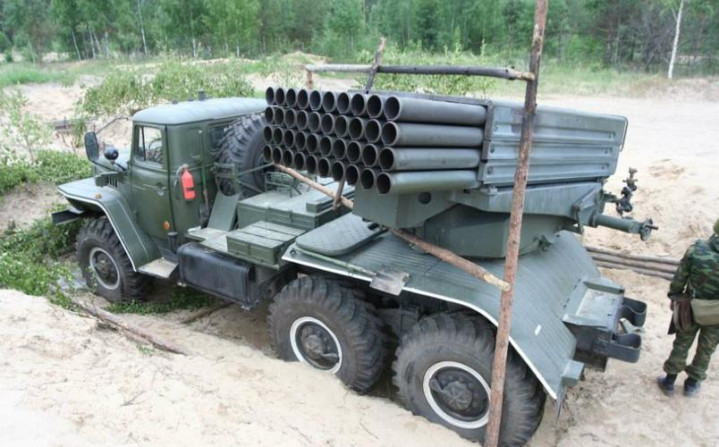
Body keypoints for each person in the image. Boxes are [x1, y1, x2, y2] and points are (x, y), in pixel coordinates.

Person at [657, 219, 719, 397]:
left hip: (690, 307)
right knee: (706, 349)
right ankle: (692, 384)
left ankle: (669, 382)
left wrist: (674, 295)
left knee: (682, 343)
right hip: (716, 314)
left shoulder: (697, 249)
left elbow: (680, 276)